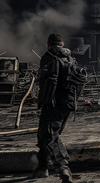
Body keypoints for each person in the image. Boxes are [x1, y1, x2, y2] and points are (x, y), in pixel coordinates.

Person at [34, 33, 74, 183]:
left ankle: (63, 167)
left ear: (49, 45)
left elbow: (43, 80)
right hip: (68, 104)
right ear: (62, 44)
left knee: (50, 136)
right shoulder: (70, 58)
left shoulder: (48, 56)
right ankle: (42, 168)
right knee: (45, 135)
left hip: (52, 103)